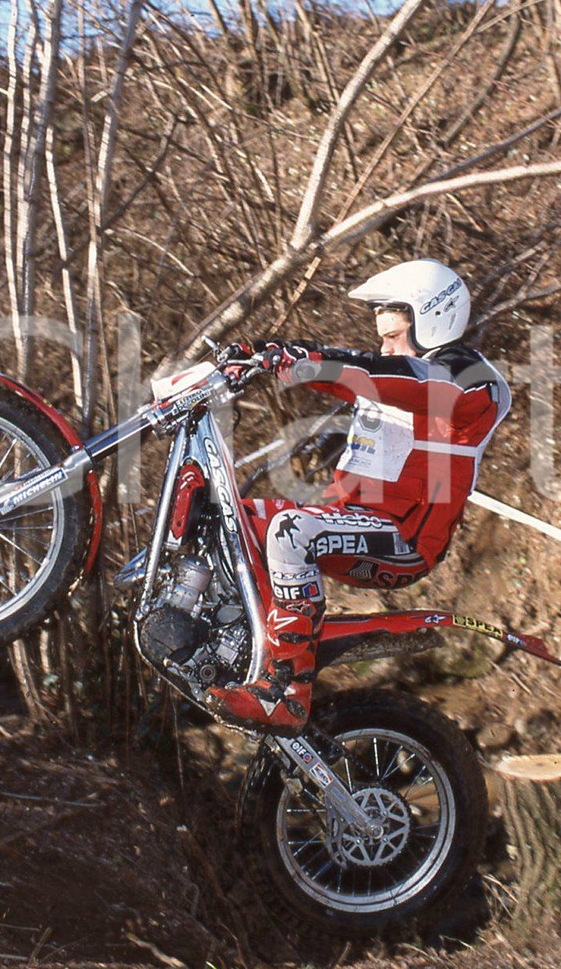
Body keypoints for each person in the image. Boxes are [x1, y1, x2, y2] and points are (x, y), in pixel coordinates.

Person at [205, 259, 511, 735]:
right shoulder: (399, 381)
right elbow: (379, 390)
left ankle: (285, 690)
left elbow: (408, 381)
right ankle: (233, 643)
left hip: (402, 540)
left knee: (289, 532)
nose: (383, 347)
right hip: (347, 520)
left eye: (393, 335)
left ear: (432, 321)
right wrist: (266, 359)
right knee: (228, 516)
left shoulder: (472, 379)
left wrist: (302, 358)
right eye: (381, 337)